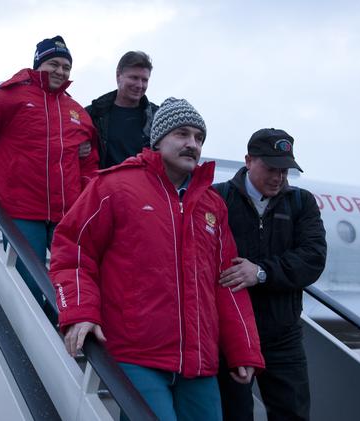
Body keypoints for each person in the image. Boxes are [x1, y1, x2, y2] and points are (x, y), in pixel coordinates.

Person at [50, 98, 265, 420]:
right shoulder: (114, 186)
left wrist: (242, 347)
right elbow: (73, 252)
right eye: (182, 134)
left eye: (199, 138)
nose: (192, 144)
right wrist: (80, 311)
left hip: (199, 362)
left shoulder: (212, 205)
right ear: (159, 139)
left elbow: (227, 280)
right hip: (137, 356)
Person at [0, 35, 98, 313]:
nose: (60, 71)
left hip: (67, 215)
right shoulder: (9, 97)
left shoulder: (76, 111)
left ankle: (61, 333)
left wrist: (85, 197)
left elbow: (89, 161)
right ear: (38, 64)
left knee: (71, 286)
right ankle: (33, 337)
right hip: (22, 213)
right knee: (29, 288)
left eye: (66, 67)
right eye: (54, 64)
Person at [215, 128, 327, 421]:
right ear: (249, 160)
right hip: (230, 335)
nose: (278, 177)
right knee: (235, 415)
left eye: (284, 170)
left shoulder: (301, 203)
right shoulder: (217, 198)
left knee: (292, 414)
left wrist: (261, 272)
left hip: (283, 337)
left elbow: (313, 258)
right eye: (271, 168)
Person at [86, 51, 158, 168]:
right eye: (134, 78)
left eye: (144, 80)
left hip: (145, 179)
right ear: (118, 76)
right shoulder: (93, 114)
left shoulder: (157, 117)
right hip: (104, 179)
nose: (139, 85)